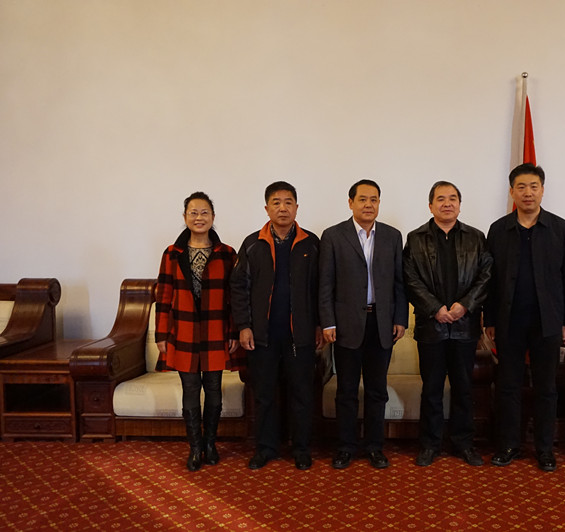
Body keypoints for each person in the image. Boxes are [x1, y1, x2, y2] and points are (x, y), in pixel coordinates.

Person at [484, 163, 565, 472]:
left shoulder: (559, 228)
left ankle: (545, 448)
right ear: (512, 192)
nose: (528, 193)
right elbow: (491, 280)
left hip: (547, 322)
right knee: (508, 386)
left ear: (542, 190)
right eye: (521, 187)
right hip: (509, 320)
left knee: (546, 388)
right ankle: (509, 445)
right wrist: (489, 320)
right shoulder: (498, 229)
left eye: (533, 186)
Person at [230, 181, 322, 471]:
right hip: (262, 335)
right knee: (265, 394)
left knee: (302, 394)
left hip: (300, 335)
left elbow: (320, 288)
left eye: (288, 202)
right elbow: (239, 288)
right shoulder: (252, 243)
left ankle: (301, 448)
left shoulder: (311, 243)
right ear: (267, 208)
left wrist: (320, 325)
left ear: (297, 207)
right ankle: (265, 447)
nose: (283, 208)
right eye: (276, 203)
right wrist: (243, 326)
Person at [319, 179, 408, 470]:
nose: (368, 205)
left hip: (381, 323)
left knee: (376, 390)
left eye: (374, 200)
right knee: (346, 390)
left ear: (379, 203)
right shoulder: (333, 236)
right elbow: (325, 284)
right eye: (362, 199)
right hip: (345, 324)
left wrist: (400, 318)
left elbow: (399, 282)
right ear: (350, 203)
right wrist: (327, 322)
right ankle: (345, 447)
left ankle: (374, 447)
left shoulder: (393, 236)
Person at [403, 181, 492, 467]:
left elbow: (486, 276)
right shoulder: (416, 238)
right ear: (430, 206)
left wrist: (464, 305)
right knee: (431, 388)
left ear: (460, 205)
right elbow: (409, 279)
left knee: (463, 388)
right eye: (440, 199)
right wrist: (435, 309)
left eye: (453, 198)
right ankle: (430, 444)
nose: (447, 203)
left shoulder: (476, 238)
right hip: (431, 327)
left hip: (465, 326)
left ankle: (464, 443)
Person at [155, 191, 241, 472]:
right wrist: (161, 334)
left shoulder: (227, 253)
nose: (199, 217)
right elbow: (163, 295)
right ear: (184, 217)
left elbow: (234, 297)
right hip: (184, 331)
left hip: (216, 329)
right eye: (193, 212)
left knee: (214, 388)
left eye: (204, 212)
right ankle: (194, 447)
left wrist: (233, 332)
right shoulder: (172, 253)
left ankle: (210, 444)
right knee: (190, 389)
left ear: (213, 217)